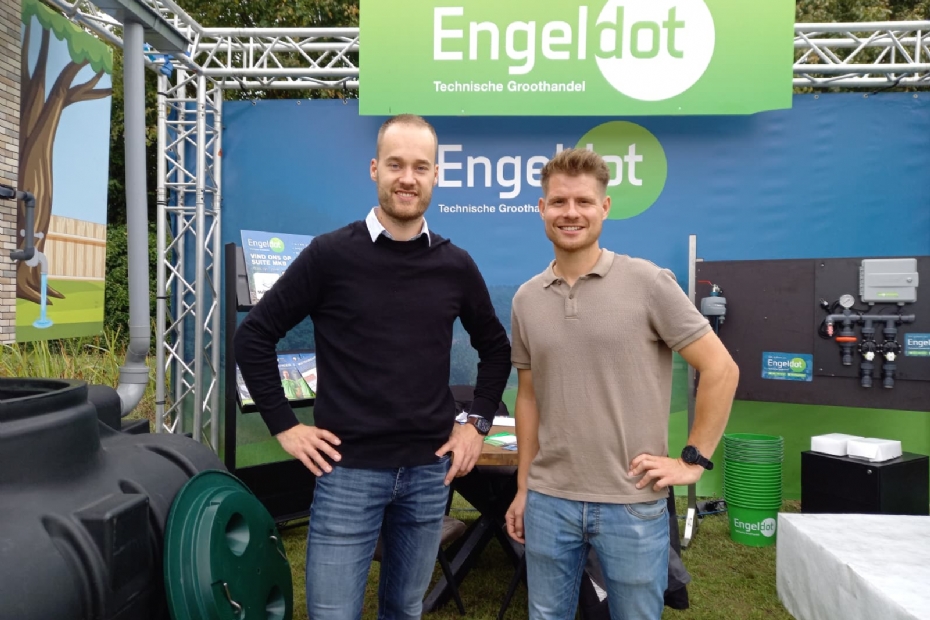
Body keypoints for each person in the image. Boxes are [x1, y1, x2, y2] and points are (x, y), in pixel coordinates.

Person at [234, 114, 512, 620]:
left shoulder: (455, 265)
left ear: (435, 175)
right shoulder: (329, 255)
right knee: (332, 612)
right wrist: (285, 426)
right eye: (395, 164)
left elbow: (496, 348)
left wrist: (476, 424)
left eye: (420, 167)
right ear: (374, 169)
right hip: (347, 473)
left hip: (429, 474)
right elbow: (253, 335)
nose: (408, 178)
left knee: (404, 609)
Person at [504, 148, 739, 620]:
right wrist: (525, 487)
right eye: (559, 202)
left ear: (605, 207)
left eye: (584, 201)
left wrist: (692, 461)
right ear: (542, 208)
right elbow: (528, 398)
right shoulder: (527, 299)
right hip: (549, 500)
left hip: (631, 501)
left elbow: (721, 368)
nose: (571, 212)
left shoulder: (648, 282)